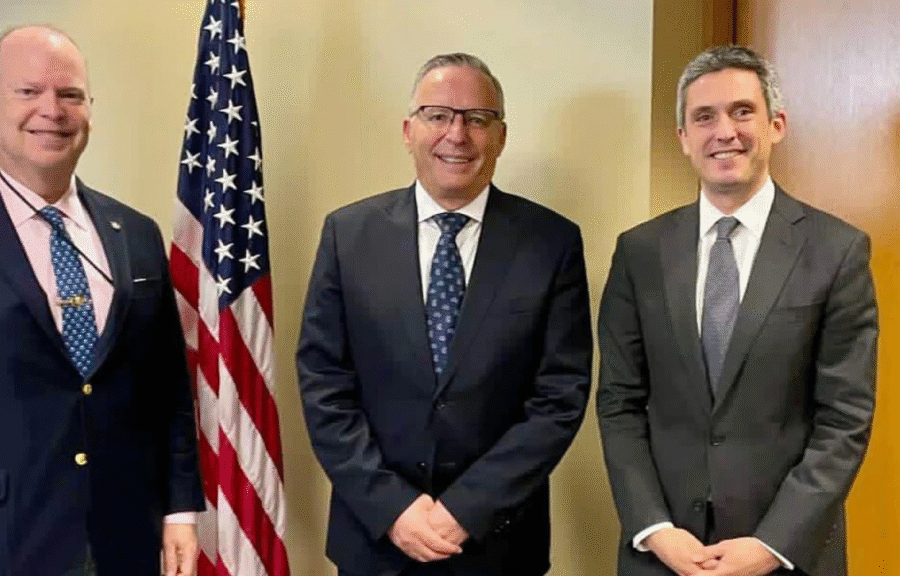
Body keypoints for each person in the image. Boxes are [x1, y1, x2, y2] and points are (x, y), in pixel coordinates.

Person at [0, 25, 203, 576]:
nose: (52, 110)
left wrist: (180, 510)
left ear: (90, 109)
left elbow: (167, 388)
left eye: (70, 94)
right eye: (28, 92)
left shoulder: (136, 233)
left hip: (125, 539)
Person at [296, 53, 592, 576]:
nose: (457, 134)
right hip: (376, 543)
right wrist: (392, 507)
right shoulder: (349, 235)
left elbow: (559, 398)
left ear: (500, 136)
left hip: (498, 546)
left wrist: (467, 510)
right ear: (408, 131)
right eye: (437, 115)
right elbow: (324, 383)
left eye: (477, 118)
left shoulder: (552, 242)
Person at [597, 45, 877, 576]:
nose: (724, 132)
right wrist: (654, 528)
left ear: (776, 125)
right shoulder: (639, 252)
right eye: (704, 117)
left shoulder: (836, 251)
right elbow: (619, 403)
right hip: (664, 555)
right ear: (684, 137)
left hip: (788, 555)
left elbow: (845, 420)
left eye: (742, 111)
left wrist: (771, 545)